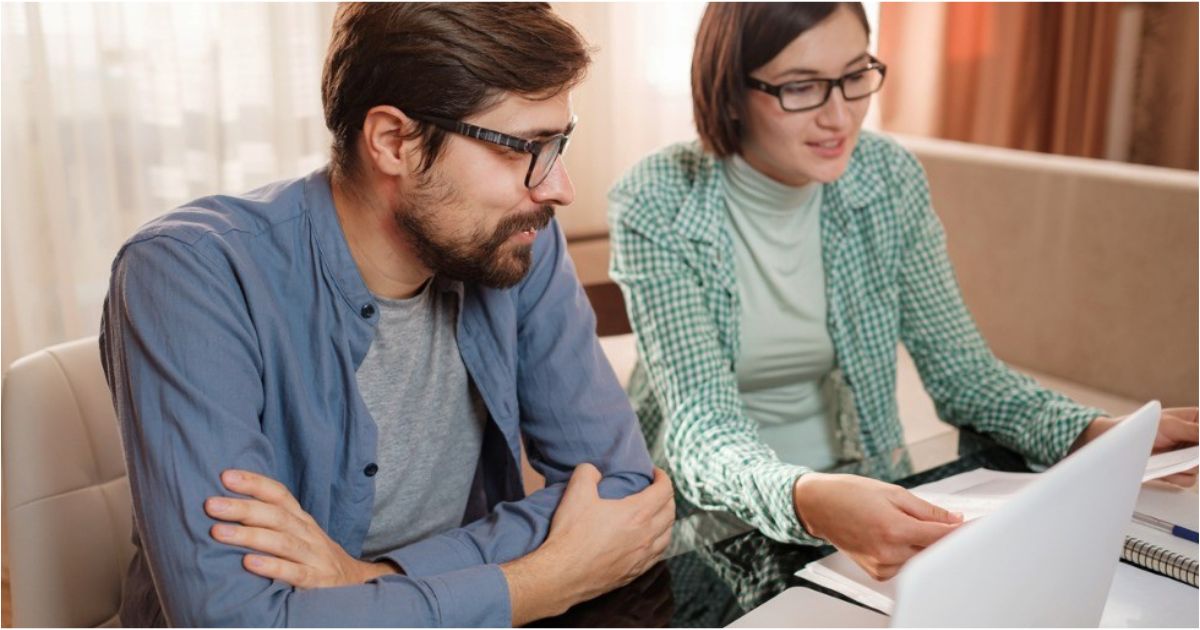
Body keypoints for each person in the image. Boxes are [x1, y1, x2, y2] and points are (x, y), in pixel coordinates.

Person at [100, 3, 673, 626]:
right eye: (526, 148)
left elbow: (622, 494)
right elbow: (238, 620)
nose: (558, 186)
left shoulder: (517, 238)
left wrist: (375, 580)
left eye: (559, 142)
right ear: (393, 142)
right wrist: (541, 580)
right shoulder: (187, 271)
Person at [607, 1, 1197, 581]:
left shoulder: (888, 177)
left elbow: (964, 372)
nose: (840, 117)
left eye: (855, 76)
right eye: (802, 87)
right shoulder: (657, 199)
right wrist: (806, 495)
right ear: (730, 89)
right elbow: (701, 428)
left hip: (869, 486)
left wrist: (1094, 432)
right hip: (714, 518)